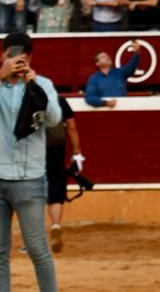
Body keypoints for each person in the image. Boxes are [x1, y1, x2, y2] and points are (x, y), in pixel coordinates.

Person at [0, 32, 61, 292]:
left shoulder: (42, 85)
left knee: (37, 249)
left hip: (29, 179)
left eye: (20, 57)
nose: (15, 61)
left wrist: (33, 85)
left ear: (30, 57)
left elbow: (54, 119)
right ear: (3, 55)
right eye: (10, 55)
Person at [44, 93, 82, 255]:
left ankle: (32, 237)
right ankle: (56, 225)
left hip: (32, 151)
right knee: (56, 188)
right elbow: (71, 127)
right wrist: (77, 152)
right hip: (56, 150)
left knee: (31, 192)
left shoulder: (23, 97)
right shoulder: (58, 99)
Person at [84, 42, 140, 108]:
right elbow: (90, 97)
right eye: (103, 57)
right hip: (104, 112)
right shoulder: (94, 79)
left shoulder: (119, 72)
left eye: (107, 56)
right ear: (97, 63)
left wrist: (137, 53)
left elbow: (132, 66)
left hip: (123, 109)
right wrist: (105, 103)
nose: (107, 57)